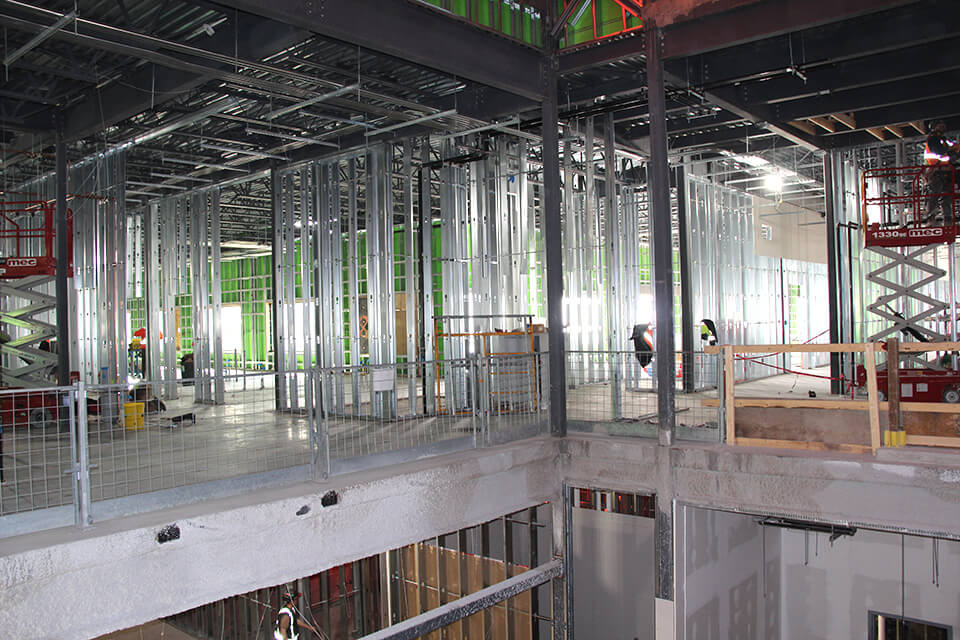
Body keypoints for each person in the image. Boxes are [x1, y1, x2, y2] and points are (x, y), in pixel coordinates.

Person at [923, 120, 957, 224]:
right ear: (934, 127)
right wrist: (951, 152)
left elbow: (952, 149)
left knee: (946, 196)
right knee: (934, 195)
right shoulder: (933, 139)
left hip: (945, 171)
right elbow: (939, 151)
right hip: (935, 171)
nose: (942, 127)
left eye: (943, 125)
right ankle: (931, 218)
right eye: (940, 125)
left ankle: (947, 218)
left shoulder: (944, 140)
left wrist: (954, 151)